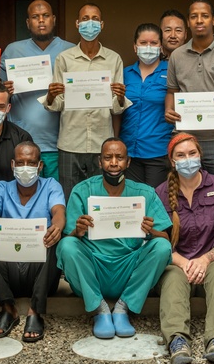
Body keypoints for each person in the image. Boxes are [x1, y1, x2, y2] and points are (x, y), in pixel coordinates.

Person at [57, 138, 173, 339]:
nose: (113, 163)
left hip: (128, 269)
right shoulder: (82, 191)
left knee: (162, 247)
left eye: (119, 158)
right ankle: (99, 309)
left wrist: (150, 231)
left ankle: (123, 307)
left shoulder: (144, 193)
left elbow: (165, 237)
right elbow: (68, 235)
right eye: (108, 157)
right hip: (94, 268)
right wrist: (78, 230)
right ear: (99, 161)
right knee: (67, 245)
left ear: (128, 162)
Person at [155, 133, 214, 364]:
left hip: (211, 260)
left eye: (192, 153)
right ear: (172, 161)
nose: (187, 159)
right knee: (171, 277)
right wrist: (183, 262)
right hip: (176, 260)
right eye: (181, 155)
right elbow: (158, 242)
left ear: (200, 155)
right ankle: (177, 342)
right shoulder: (160, 193)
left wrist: (205, 259)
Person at [0, 142, 65, 342]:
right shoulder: (1, 188)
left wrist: (57, 226)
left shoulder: (51, 186)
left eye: (31, 163)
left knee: (56, 238)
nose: (26, 167)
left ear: (40, 166)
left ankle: (35, 312)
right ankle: (8, 309)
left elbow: (59, 212)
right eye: (21, 162)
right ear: (13, 164)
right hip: (8, 272)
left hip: (41, 273)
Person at [44, 3, 129, 197]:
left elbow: (116, 109)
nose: (89, 24)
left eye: (95, 19)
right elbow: (58, 105)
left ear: (102, 24)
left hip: (102, 143)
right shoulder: (64, 59)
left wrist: (121, 97)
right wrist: (51, 96)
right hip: (70, 142)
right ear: (77, 23)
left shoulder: (114, 59)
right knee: (71, 197)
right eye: (85, 19)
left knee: (101, 198)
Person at [165, 0, 214, 184]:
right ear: (188, 22)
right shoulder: (177, 55)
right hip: (184, 138)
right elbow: (171, 91)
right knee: (183, 192)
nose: (199, 20)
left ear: (213, 20)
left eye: (205, 16)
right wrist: (168, 109)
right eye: (194, 16)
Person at [0, 0, 74, 180]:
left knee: (56, 200)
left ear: (54, 19)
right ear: (27, 22)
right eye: (35, 17)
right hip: (21, 143)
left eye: (46, 16)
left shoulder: (70, 51)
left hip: (60, 144)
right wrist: (5, 91)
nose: (41, 20)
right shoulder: (13, 51)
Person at [122, 23, 174, 186]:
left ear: (161, 46)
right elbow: (117, 110)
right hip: (129, 152)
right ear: (135, 47)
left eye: (153, 43)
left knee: (155, 202)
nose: (148, 47)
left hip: (158, 152)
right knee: (133, 204)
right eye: (143, 43)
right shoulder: (125, 73)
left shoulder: (171, 71)